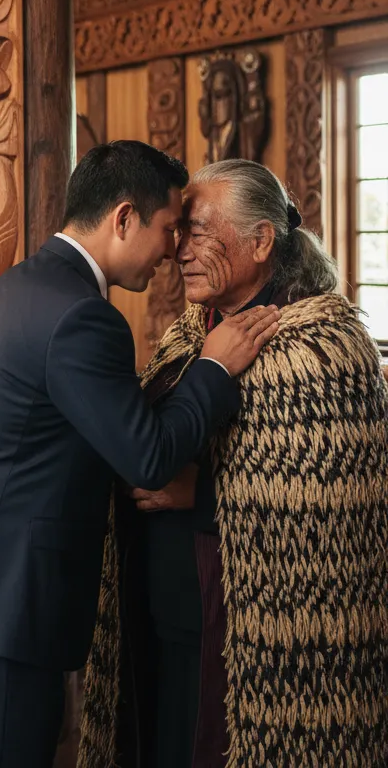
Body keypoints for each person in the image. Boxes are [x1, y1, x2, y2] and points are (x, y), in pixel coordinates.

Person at [0, 141, 281, 768]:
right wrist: (211, 367)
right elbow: (148, 457)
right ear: (124, 218)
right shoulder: (82, 317)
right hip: (0, 607)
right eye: (167, 228)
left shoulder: (23, 283)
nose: (173, 251)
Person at [78, 159, 388, 768]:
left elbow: (339, 499)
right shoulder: (189, 335)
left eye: (197, 231)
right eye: (178, 232)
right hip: (163, 615)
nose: (178, 250)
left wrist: (204, 493)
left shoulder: (327, 348)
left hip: (261, 638)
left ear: (261, 241)